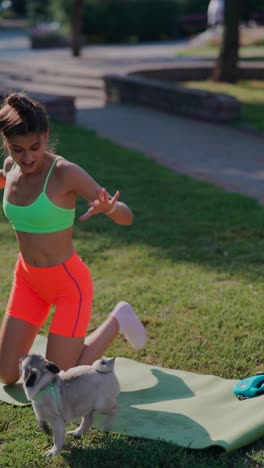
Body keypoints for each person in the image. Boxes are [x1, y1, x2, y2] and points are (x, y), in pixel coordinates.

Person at [0, 92, 146, 385]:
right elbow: (9, 182)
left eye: (34, 147)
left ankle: (118, 319)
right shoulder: (9, 168)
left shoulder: (65, 173)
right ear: (6, 144)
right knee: (5, 374)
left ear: (46, 135)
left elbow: (127, 216)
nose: (27, 158)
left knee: (58, 384)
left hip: (68, 286)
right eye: (17, 149)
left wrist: (110, 208)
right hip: (27, 281)